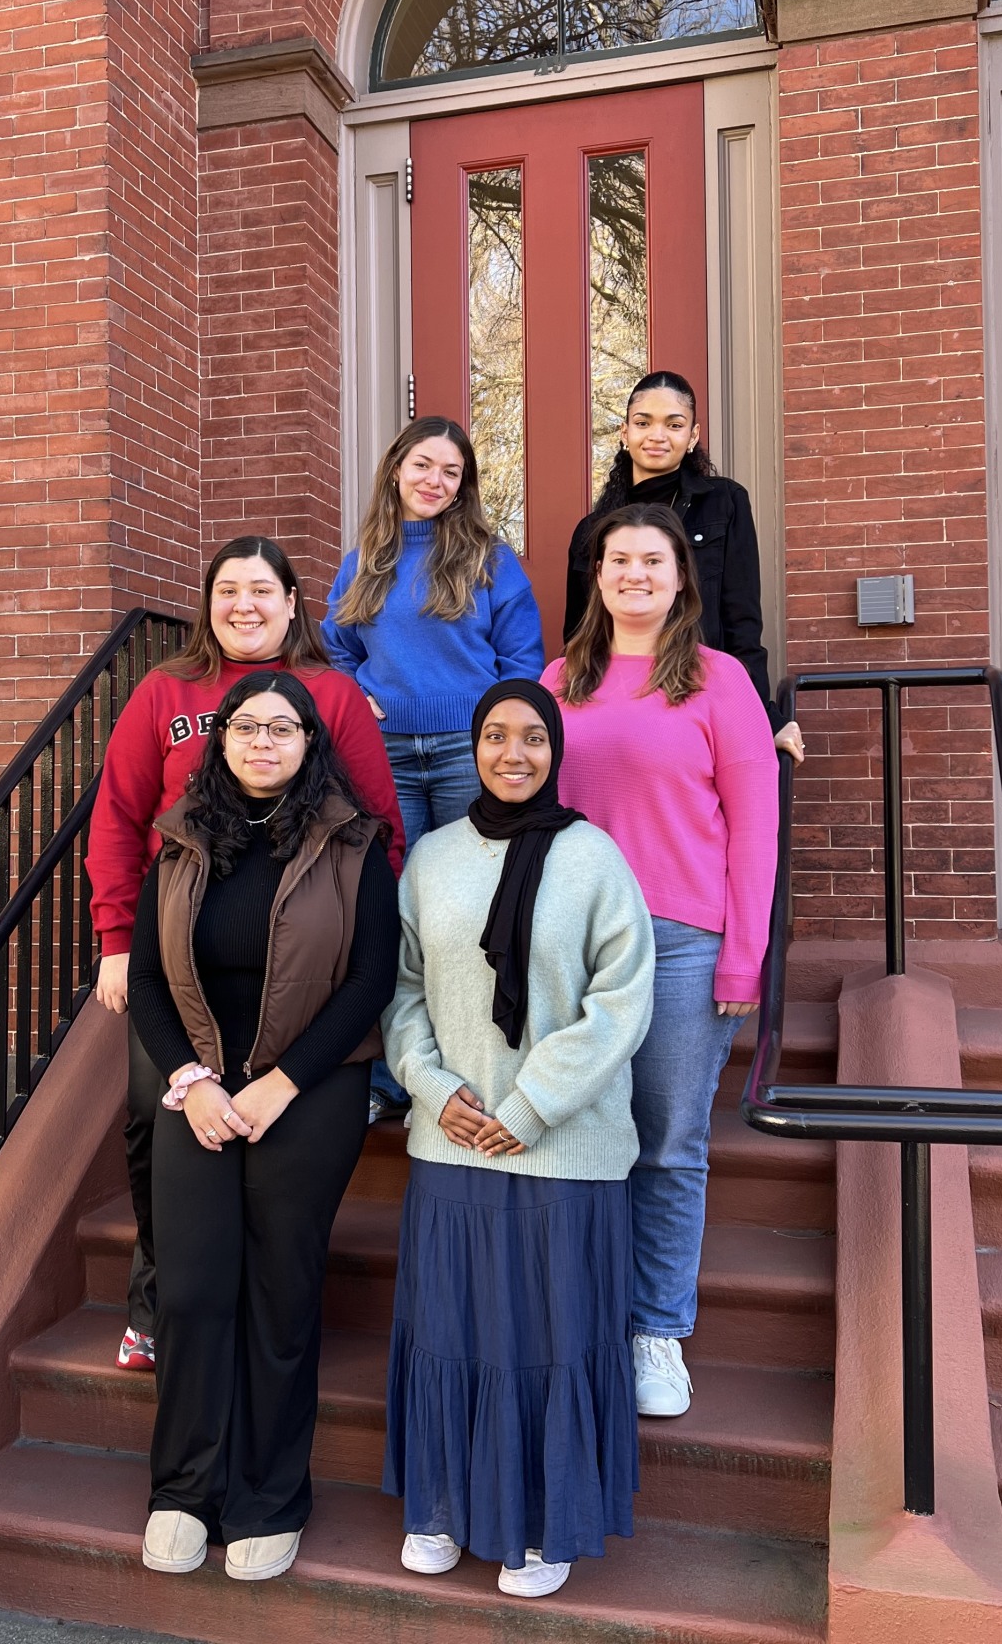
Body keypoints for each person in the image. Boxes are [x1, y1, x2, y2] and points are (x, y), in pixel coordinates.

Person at [86, 535, 404, 1373]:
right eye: (227, 590)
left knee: (279, 1147)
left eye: (262, 590)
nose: (244, 606)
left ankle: (265, 1314)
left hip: (298, 966)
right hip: (178, 954)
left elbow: (378, 826)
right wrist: (118, 939)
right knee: (156, 1128)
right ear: (208, 601)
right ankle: (159, 1305)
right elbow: (119, 817)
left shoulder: (331, 695)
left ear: (293, 603)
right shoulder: (165, 692)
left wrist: (355, 936)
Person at [381, 679, 653, 1597]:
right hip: (451, 1138)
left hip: (563, 1148)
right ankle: (446, 1504)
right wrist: (433, 1086)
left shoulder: (596, 860)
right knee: (453, 1334)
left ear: (554, 751)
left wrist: (528, 1106)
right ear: (473, 746)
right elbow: (403, 991)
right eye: (494, 737)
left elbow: (620, 1006)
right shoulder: (430, 860)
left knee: (548, 1338)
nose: (512, 754)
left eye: (531, 738)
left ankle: (547, 1523)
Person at [127, 671, 399, 1581]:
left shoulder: (356, 844)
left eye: (284, 729)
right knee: (194, 1290)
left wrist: (282, 1082)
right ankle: (183, 1489)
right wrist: (193, 1080)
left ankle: (268, 1496)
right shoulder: (179, 842)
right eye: (247, 727)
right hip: (197, 1091)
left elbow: (368, 981)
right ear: (221, 738)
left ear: (310, 743)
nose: (263, 743)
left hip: (308, 1091)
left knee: (280, 1296)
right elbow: (153, 981)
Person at [543, 504, 779, 1421]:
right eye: (617, 560)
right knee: (574, 1135)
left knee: (668, 1144)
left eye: (653, 560)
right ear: (596, 576)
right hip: (575, 942)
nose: (633, 574)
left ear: (682, 577)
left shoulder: (718, 682)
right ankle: (585, 1312)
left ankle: (656, 1330)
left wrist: (743, 960)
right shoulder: (559, 680)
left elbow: (755, 827)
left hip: (684, 940)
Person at [323, 417, 544, 1120]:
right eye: (423, 465)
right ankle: (396, 1076)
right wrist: (358, 696)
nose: (434, 481)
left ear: (462, 486)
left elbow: (523, 663)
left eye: (449, 473)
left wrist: (494, 729)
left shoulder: (489, 560)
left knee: (466, 910)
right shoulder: (362, 560)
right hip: (384, 756)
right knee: (387, 911)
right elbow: (334, 651)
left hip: (461, 753)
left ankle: (470, 1064)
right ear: (396, 469)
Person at [564, 370, 804, 765]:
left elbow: (742, 622)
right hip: (619, 708)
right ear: (624, 432)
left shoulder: (725, 503)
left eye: (674, 424)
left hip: (703, 698)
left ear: (692, 436)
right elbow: (579, 634)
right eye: (643, 423)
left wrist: (763, 714)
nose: (657, 435)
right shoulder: (592, 531)